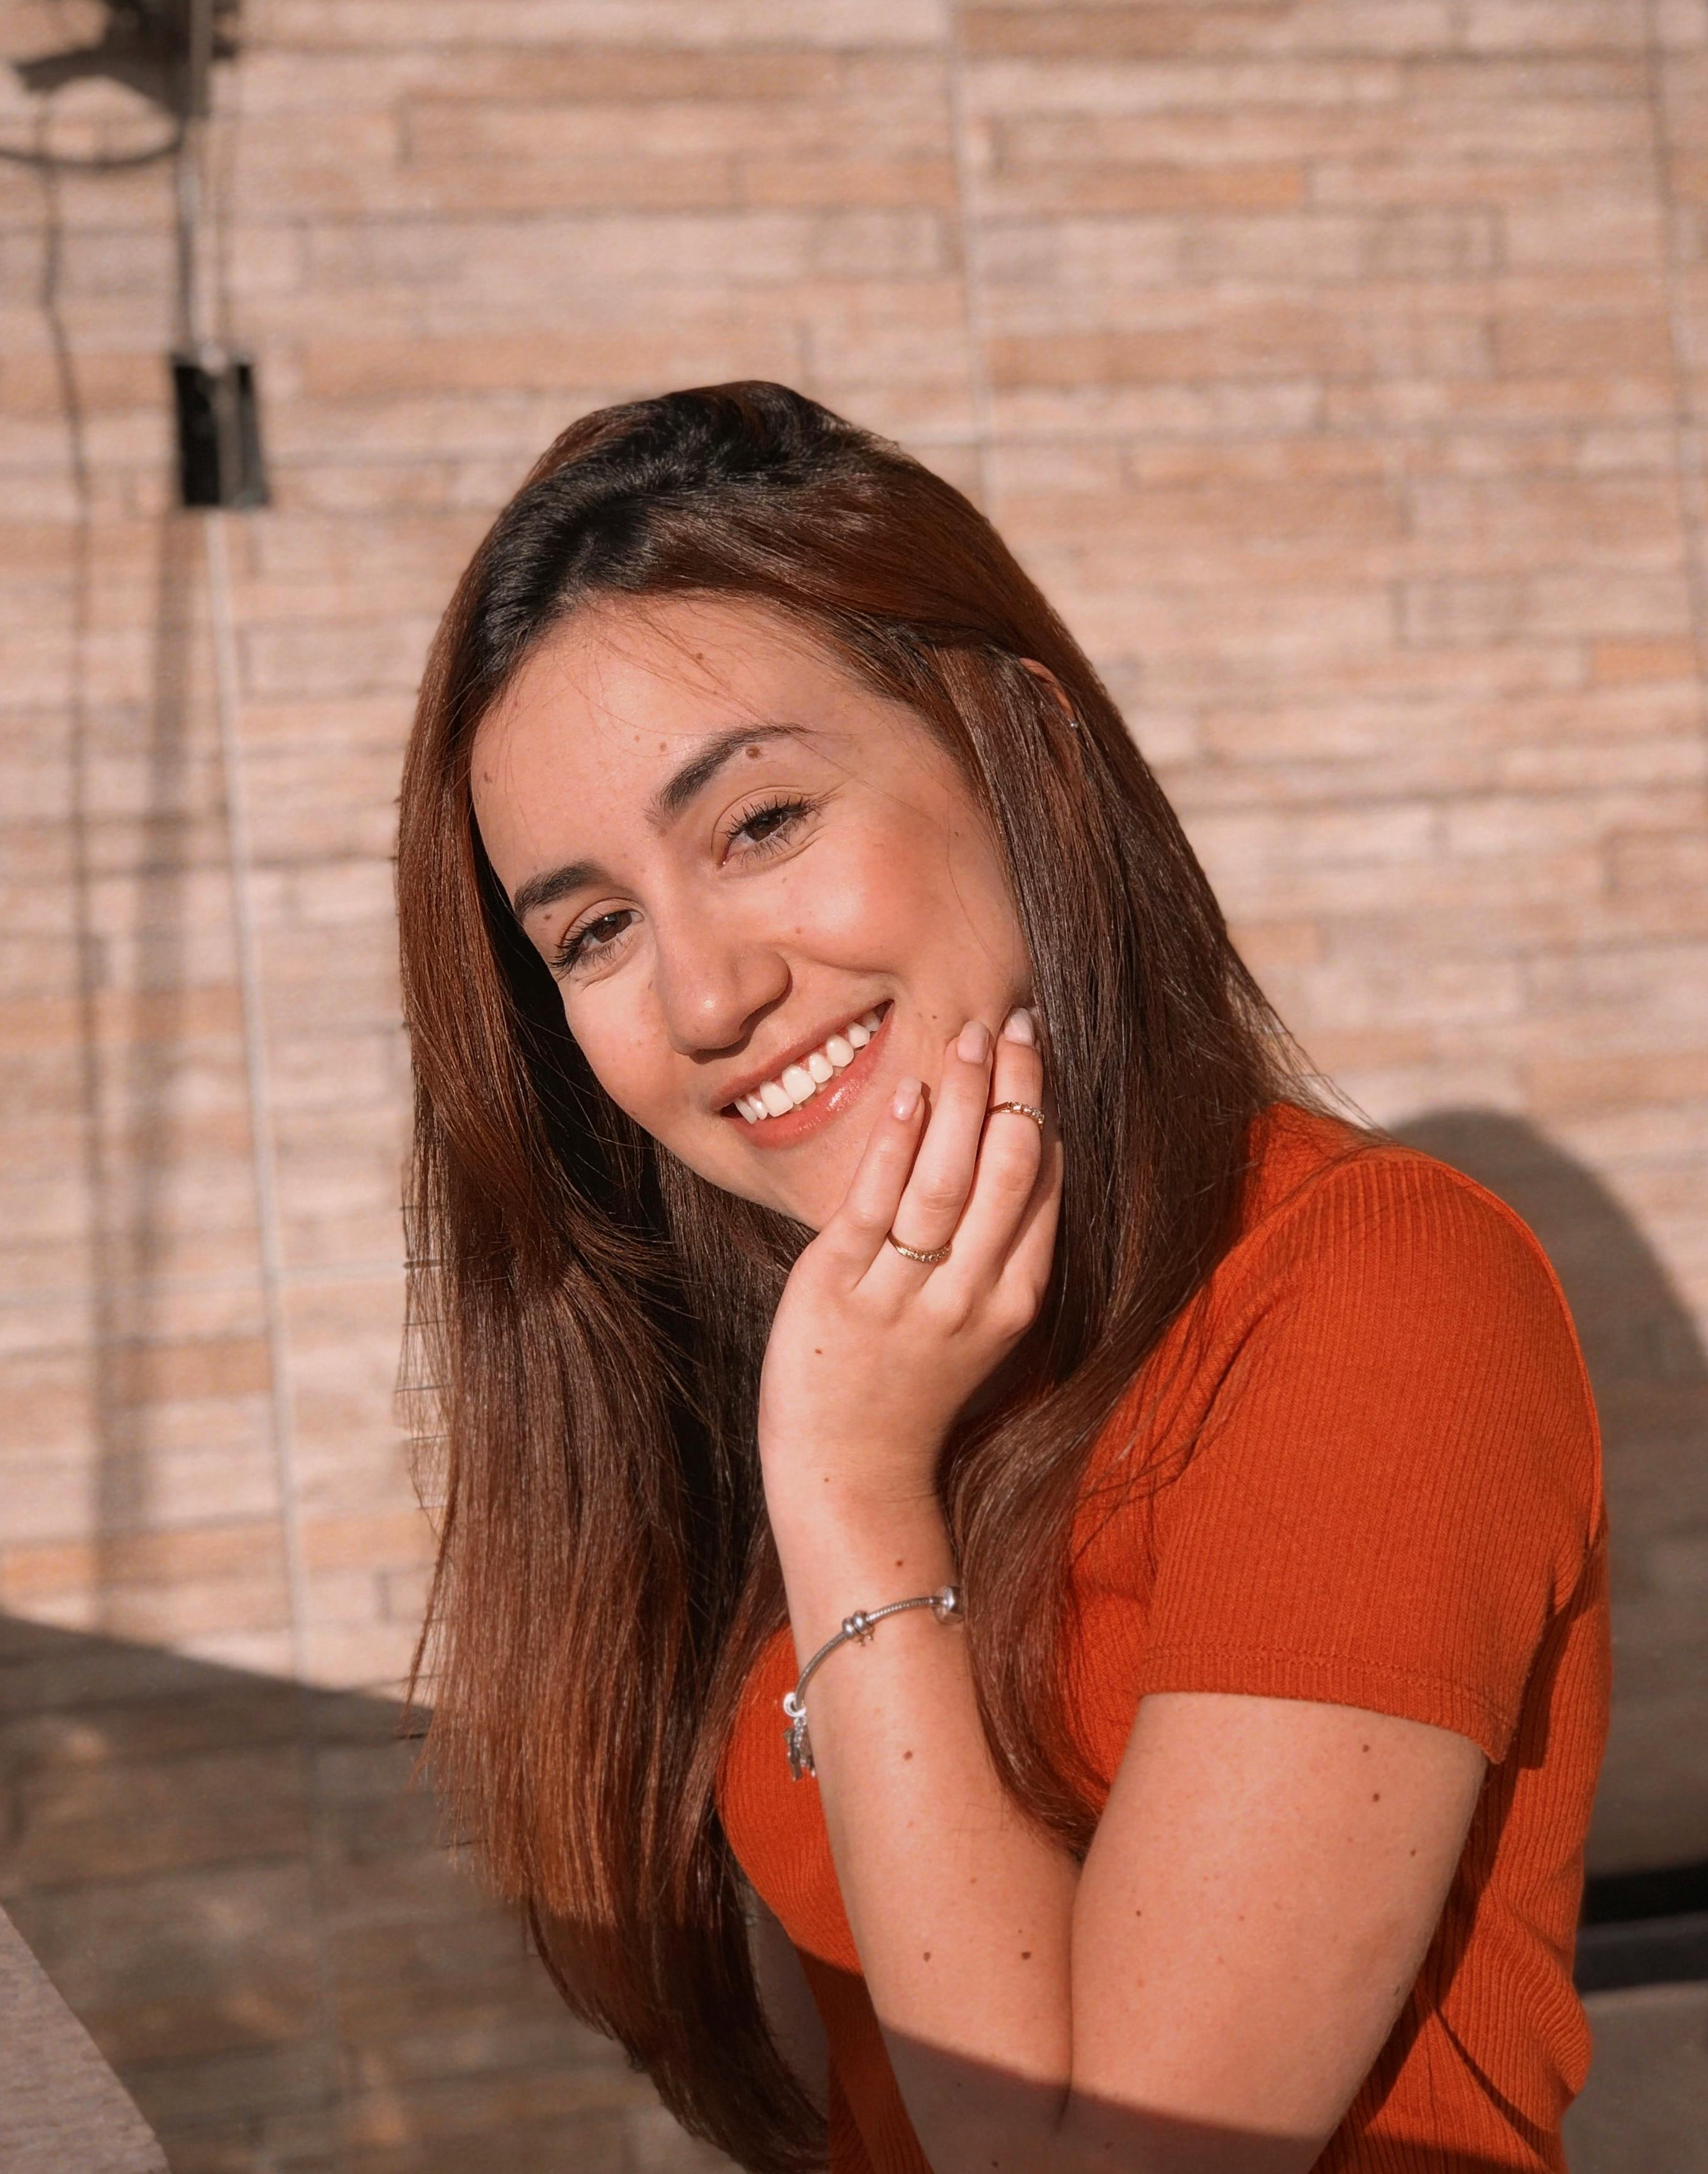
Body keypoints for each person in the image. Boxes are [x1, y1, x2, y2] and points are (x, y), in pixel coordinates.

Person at [394, 382, 1609, 2174]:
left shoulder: (1376, 1295)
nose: (706, 995)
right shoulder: (841, 1341)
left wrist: (852, 1499)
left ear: (1017, 750)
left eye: (760, 824)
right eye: (595, 930)